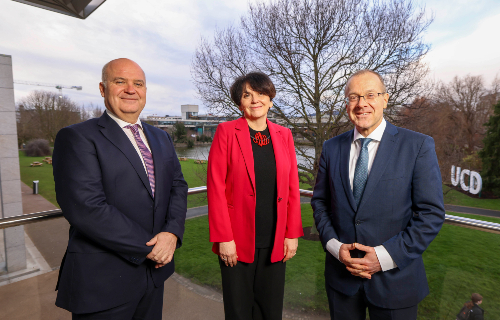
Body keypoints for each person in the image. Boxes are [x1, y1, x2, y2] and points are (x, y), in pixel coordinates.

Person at [52, 58, 188, 319]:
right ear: (103, 89)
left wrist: (171, 233)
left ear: (145, 91)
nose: (130, 89)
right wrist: (151, 247)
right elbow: (86, 207)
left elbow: (178, 186)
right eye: (120, 81)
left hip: (153, 278)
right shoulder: (78, 137)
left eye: (138, 83)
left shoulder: (161, 137)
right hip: (103, 282)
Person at [311, 69, 445, 320]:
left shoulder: (417, 146)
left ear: (385, 98)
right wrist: (334, 246)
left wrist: (384, 257)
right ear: (346, 104)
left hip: (396, 282)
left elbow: (431, 214)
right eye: (354, 97)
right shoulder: (331, 148)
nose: (362, 104)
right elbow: (320, 203)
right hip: (342, 281)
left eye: (370, 95)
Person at [207, 72, 303, 319]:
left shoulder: (285, 135)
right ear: (239, 102)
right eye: (246, 95)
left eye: (261, 93)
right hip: (236, 243)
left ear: (270, 99)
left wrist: (292, 233)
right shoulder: (226, 132)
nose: (254, 99)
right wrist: (223, 238)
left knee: (270, 312)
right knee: (239, 312)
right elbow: (215, 188)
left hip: (275, 241)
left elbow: (292, 188)